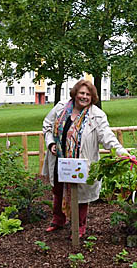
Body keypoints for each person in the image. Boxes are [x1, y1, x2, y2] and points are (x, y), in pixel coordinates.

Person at [42, 80, 129, 238]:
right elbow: (47, 126)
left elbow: (107, 136)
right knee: (58, 189)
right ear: (75, 93)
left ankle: (79, 227)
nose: (84, 96)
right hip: (59, 159)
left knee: (80, 195)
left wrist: (120, 151)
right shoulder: (61, 108)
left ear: (93, 97)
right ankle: (58, 220)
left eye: (88, 94)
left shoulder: (96, 115)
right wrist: (51, 143)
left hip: (80, 162)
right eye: (81, 93)